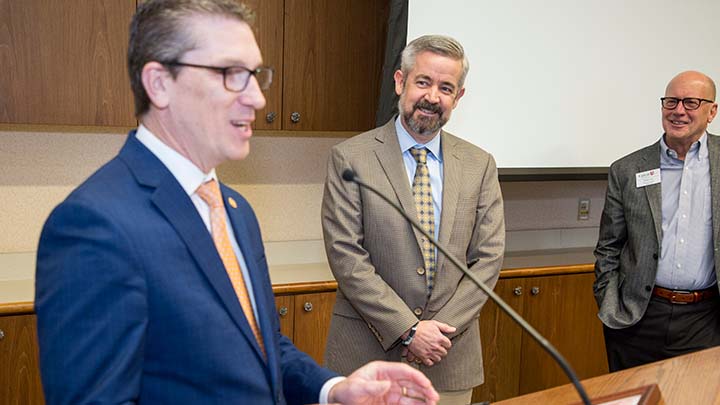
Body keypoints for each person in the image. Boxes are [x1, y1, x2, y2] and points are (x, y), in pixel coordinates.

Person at [34, 1, 440, 404]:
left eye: (255, 76)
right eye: (231, 74)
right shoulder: (93, 225)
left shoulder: (235, 210)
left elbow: (261, 345)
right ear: (159, 83)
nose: (257, 99)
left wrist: (332, 389)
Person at [321, 35, 505, 405]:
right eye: (423, 82)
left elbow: (488, 258)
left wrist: (438, 334)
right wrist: (408, 329)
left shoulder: (479, 164)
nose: (433, 97)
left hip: (447, 358)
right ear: (400, 81)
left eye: (446, 87)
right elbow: (346, 257)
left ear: (459, 97)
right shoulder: (351, 158)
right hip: (366, 356)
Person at [594, 70, 720, 372]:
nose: (678, 111)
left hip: (707, 319)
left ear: (711, 111)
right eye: (671, 101)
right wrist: (610, 303)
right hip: (637, 319)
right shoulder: (627, 169)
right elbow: (608, 247)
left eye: (691, 102)